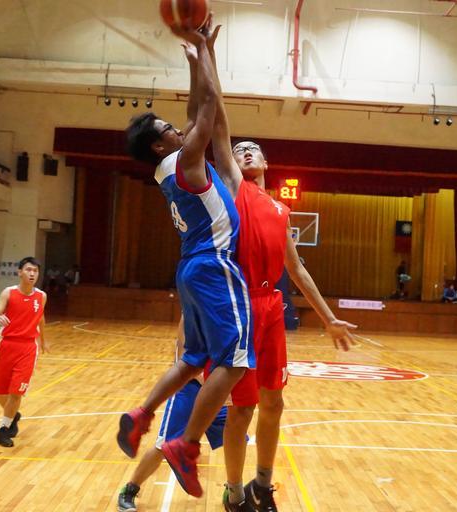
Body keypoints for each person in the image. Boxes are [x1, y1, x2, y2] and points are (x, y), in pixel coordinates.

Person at [189, 29, 357, 511]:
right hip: (238, 305)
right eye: (239, 150)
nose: (243, 152)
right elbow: (218, 119)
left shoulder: (281, 210)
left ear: (266, 161)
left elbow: (298, 270)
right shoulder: (232, 185)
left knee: (274, 402)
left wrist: (328, 318)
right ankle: (234, 490)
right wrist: (208, 55)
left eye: (252, 149)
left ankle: (263, 483)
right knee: (241, 407)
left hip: (271, 308)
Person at [117, 17, 254, 500]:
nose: (178, 129)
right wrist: (206, 59)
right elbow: (209, 108)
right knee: (235, 361)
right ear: (161, 144)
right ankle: (186, 445)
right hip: (216, 264)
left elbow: (195, 111)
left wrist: (199, 57)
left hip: (191, 268)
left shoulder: (168, 167)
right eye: (168, 129)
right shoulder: (187, 160)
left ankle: (142, 413)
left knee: (195, 358)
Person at [117, 319, 228, 511]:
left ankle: (234, 489)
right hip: (188, 389)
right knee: (163, 446)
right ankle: (130, 489)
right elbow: (185, 361)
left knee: (235, 437)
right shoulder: (190, 317)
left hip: (215, 389)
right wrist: (217, 381)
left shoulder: (223, 314)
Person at [0, 256, 47, 447]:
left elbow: (40, 318)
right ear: (20, 272)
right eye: (28, 270)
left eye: (35, 271)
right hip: (7, 346)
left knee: (16, 392)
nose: (32, 274)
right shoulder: (9, 293)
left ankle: (3, 430)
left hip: (28, 348)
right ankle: (13, 415)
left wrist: (43, 340)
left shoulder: (41, 296)